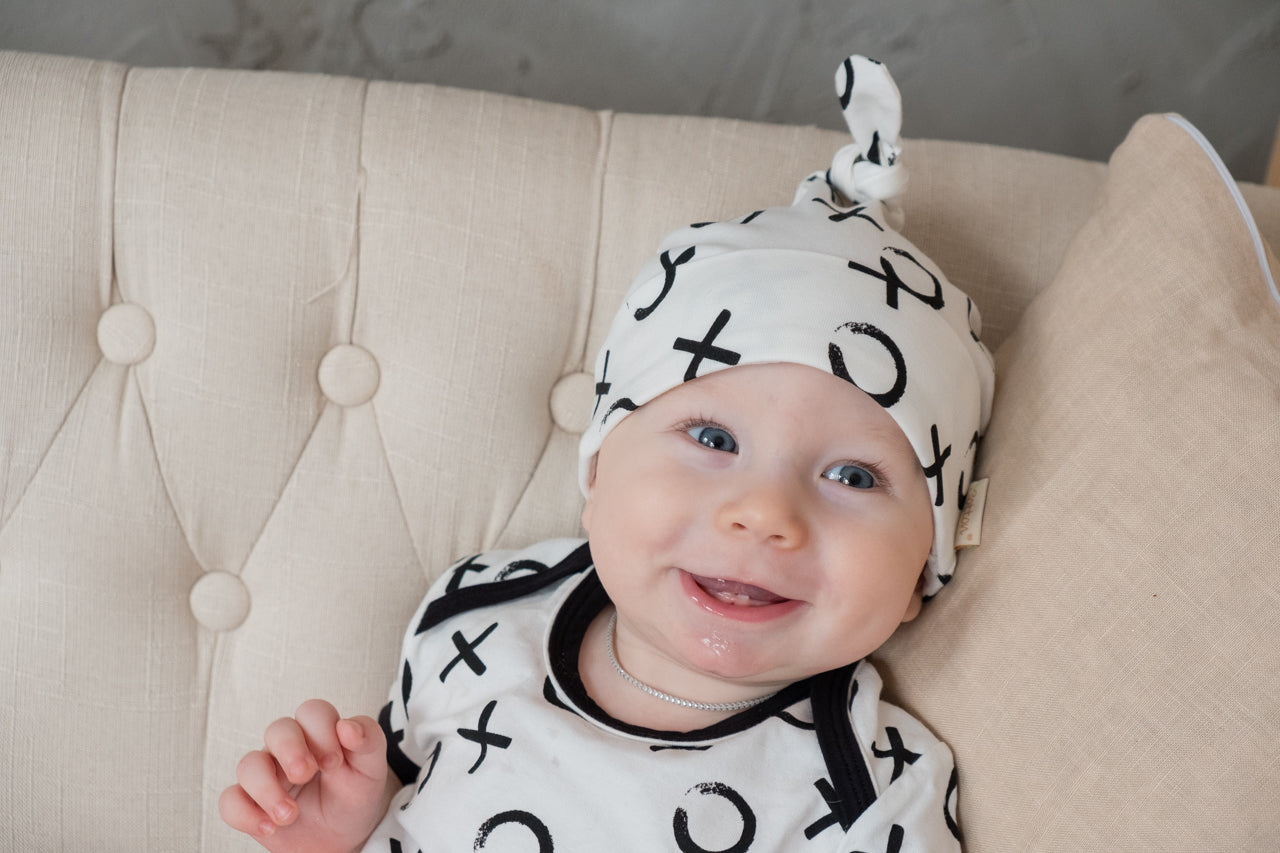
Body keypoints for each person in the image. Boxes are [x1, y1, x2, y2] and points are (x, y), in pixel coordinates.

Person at [220, 54, 995, 852]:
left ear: (924, 567)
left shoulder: (875, 794)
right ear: (599, 469)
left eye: (853, 475)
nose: (766, 513)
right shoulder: (478, 614)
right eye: (714, 438)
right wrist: (343, 828)